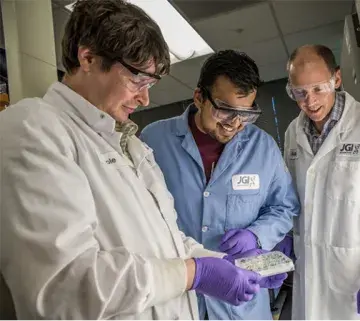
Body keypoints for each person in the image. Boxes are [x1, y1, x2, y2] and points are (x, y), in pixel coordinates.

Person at [0, 1, 283, 319]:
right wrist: (194, 274)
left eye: (150, 85)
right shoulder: (35, 130)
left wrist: (226, 263)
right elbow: (65, 287)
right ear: (88, 57)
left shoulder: (130, 145)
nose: (145, 99)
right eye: (138, 81)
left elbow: (169, 243)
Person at [140, 50, 300, 320]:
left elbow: (284, 206)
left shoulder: (262, 148)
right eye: (225, 110)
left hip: (239, 304)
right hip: (178, 297)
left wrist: (257, 235)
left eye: (246, 114)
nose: (234, 124)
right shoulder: (154, 140)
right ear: (199, 97)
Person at [278, 44, 360, 320]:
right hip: (309, 268)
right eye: (300, 93)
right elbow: (290, 197)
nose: (309, 101)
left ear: (336, 79)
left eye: (318, 88)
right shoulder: (292, 134)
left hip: (353, 275)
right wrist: (286, 234)